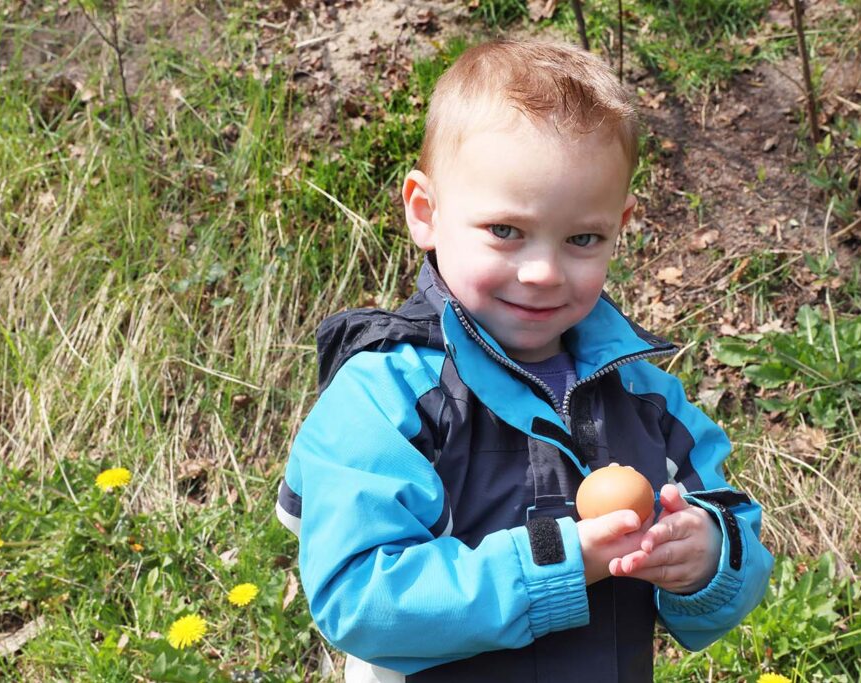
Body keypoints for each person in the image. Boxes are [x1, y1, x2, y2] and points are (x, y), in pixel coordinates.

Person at [275, 39, 773, 683]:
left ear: (619, 226)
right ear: (425, 212)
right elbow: (360, 597)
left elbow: (738, 533)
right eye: (505, 231)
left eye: (582, 239)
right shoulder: (385, 394)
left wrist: (706, 557)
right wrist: (560, 562)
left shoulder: (645, 398)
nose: (541, 272)